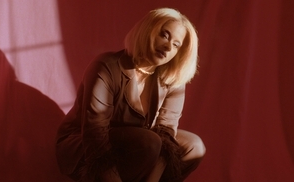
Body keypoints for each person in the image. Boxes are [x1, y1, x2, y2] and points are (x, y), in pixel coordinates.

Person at [56, 7, 206, 182]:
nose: (167, 46)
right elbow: (95, 132)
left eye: (176, 45)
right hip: (84, 144)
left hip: (140, 143)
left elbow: (166, 135)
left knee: (193, 146)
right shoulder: (106, 66)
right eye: (164, 35)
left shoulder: (172, 79)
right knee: (148, 142)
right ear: (148, 30)